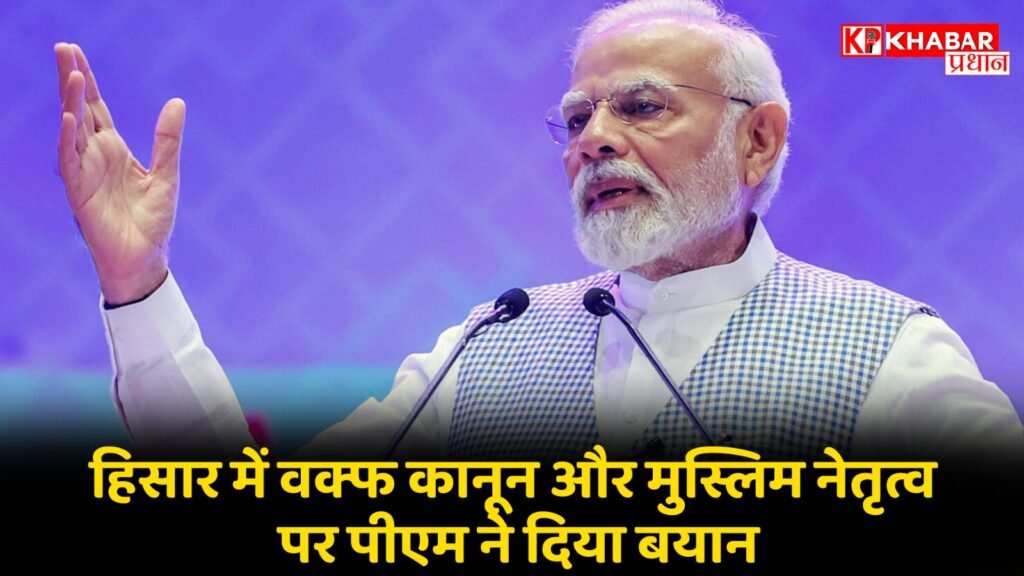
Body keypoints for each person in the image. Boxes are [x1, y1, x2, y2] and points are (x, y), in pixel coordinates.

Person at [56, 0, 1023, 463]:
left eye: (641, 106)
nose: (594, 139)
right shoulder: (489, 346)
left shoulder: (885, 350)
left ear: (758, 139)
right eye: (576, 118)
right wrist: (137, 283)